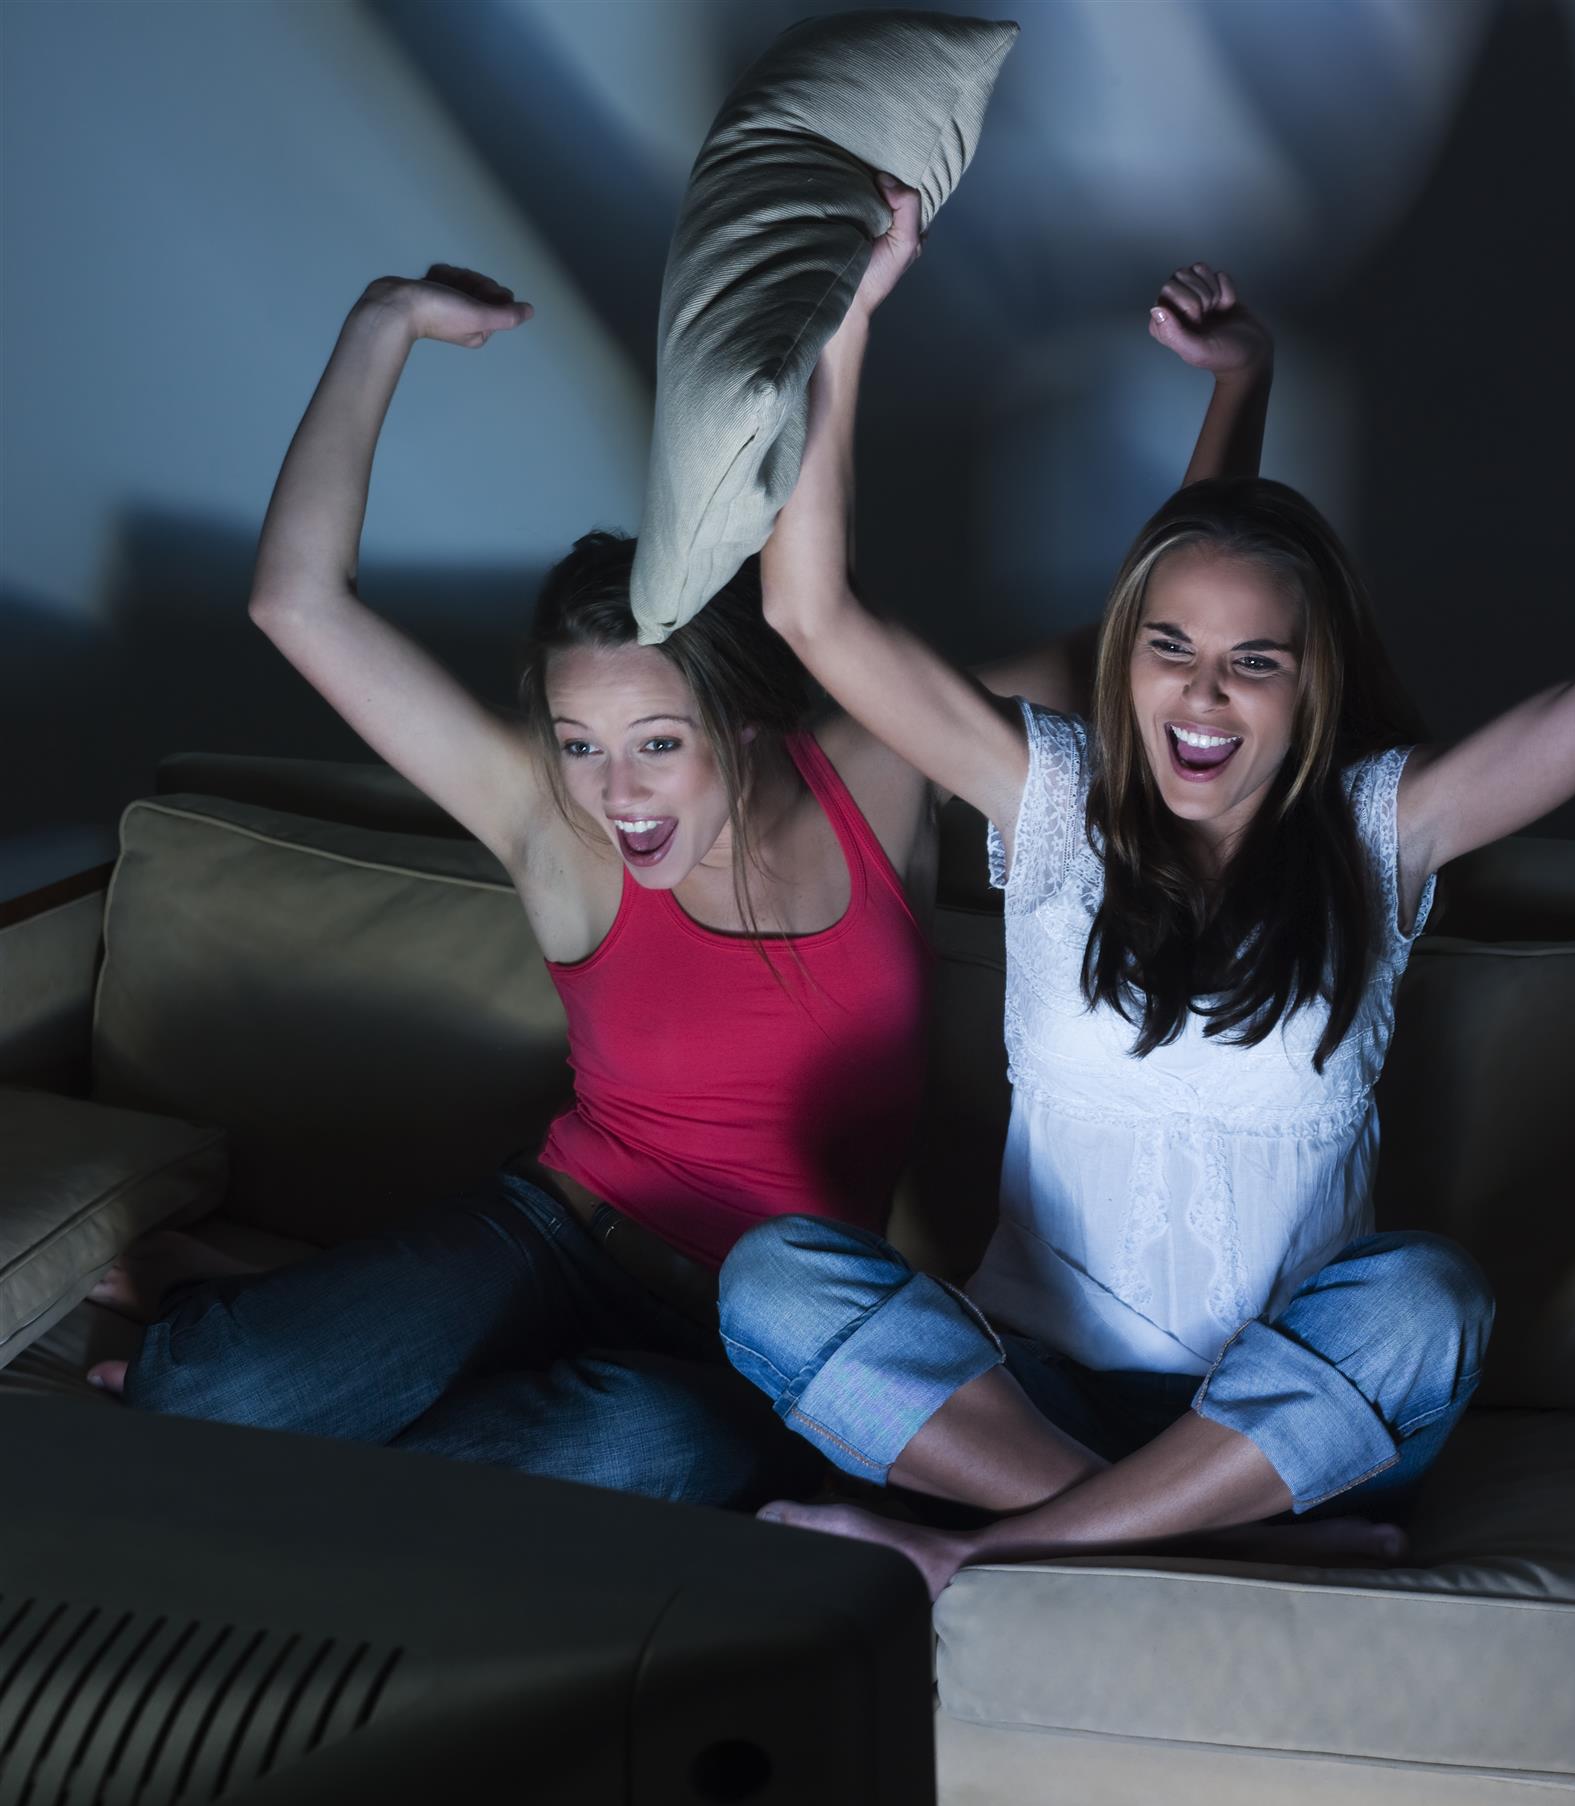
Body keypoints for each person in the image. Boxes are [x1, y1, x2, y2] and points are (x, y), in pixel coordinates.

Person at [87, 257, 1258, 1506]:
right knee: (218, 1396)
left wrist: (1242, 382)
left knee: (651, 1444)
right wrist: (381, 321)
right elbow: (298, 603)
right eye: (582, 748)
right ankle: (234, 1355)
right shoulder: (551, 825)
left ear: (741, 725)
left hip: (756, 1331)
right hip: (549, 1241)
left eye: (656, 746)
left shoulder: (875, 772)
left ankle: (267, 1400)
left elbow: (1147, 646)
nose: (617, 795)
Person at [719, 176, 1575, 1590]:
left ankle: (985, 1557)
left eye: (1254, 662)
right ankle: (1199, 1534)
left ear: (1310, 685)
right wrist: (844, 316)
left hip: (1290, 1413)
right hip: (1024, 1398)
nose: (1202, 696)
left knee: (1425, 1303)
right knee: (769, 1280)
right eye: (1168, 653)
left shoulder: (1375, 830)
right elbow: (806, 611)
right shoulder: (1051, 794)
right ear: (1123, 659)